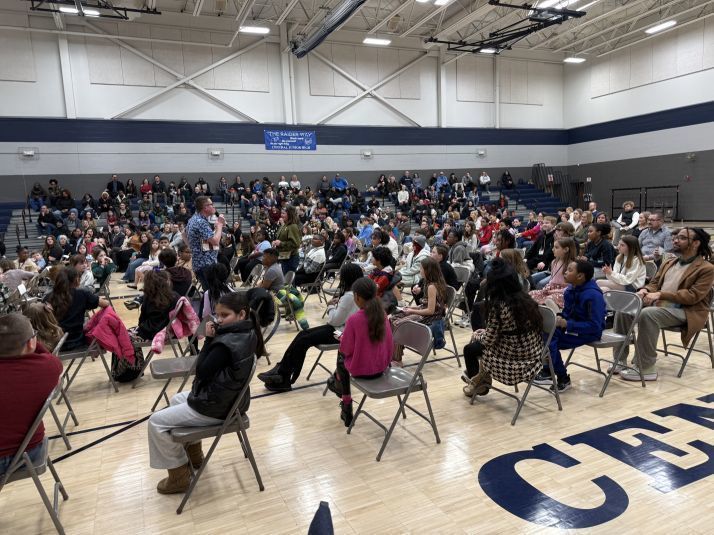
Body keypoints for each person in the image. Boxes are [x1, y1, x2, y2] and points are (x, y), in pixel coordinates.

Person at [147, 292, 265, 494]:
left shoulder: (225, 343)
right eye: (217, 315)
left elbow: (200, 370)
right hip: (231, 400)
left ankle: (179, 476)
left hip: (217, 406)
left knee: (155, 423)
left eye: (224, 315)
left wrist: (209, 341)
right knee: (176, 399)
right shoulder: (248, 332)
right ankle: (195, 455)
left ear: (241, 314)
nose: (218, 320)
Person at [613, 227, 714, 381]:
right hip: (661, 305)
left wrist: (660, 294)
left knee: (648, 314)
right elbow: (654, 283)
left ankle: (646, 368)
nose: (675, 240)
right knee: (625, 308)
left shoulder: (707, 269)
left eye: (681, 238)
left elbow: (693, 296)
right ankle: (620, 359)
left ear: (695, 243)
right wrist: (645, 290)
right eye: (675, 237)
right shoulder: (670, 261)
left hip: (688, 311)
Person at [258, 263, 363, 392]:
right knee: (303, 335)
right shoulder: (358, 294)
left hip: (341, 334)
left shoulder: (349, 296)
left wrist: (330, 306)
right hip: (342, 330)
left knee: (304, 339)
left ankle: (283, 374)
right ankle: (282, 371)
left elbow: (334, 320)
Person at [461, 259, 544, 397]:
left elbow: (488, 341)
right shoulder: (526, 298)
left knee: (470, 348)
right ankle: (479, 377)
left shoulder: (498, 306)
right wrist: (487, 332)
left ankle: (479, 384)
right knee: (477, 343)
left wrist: (480, 334)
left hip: (513, 358)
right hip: (533, 350)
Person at [0, 314, 63, 478]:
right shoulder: (47, 368)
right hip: (29, 452)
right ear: (31, 342)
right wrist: (33, 342)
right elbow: (50, 357)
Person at [326, 277, 392, 426]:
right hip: (382, 367)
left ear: (357, 297)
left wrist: (344, 338)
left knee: (341, 357)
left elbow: (346, 349)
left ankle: (347, 404)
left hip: (362, 370)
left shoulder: (354, 320)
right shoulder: (382, 314)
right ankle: (337, 380)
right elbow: (388, 343)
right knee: (347, 357)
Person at [534, 260, 606, 392]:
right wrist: (562, 316)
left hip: (589, 332)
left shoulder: (594, 295)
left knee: (549, 341)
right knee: (545, 333)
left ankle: (562, 377)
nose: (565, 272)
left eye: (570, 270)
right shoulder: (570, 290)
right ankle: (549, 370)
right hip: (572, 328)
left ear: (580, 276)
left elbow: (595, 326)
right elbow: (568, 313)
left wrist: (568, 324)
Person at [390, 257, 447, 365]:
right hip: (425, 313)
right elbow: (425, 305)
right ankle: (395, 353)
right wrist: (411, 308)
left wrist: (413, 311)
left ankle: (397, 359)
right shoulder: (428, 283)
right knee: (393, 318)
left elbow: (430, 311)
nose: (420, 271)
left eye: (421, 268)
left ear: (428, 271)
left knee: (398, 323)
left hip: (431, 318)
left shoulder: (432, 286)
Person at [47, 267, 110, 350]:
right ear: (76, 280)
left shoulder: (50, 296)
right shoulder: (82, 293)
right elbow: (106, 304)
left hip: (54, 343)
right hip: (76, 341)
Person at [186, 196, 225, 288]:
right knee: (212, 294)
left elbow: (184, 233)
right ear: (205, 207)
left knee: (209, 293)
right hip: (206, 264)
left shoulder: (193, 219)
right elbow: (215, 242)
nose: (214, 206)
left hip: (201, 262)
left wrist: (193, 247)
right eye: (211, 204)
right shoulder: (201, 222)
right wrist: (219, 225)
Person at [530, 237, 577, 310]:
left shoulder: (572, 265)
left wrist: (556, 290)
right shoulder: (554, 262)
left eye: (556, 247)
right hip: (551, 289)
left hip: (564, 292)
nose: (552, 249)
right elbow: (552, 279)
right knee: (531, 294)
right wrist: (547, 287)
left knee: (549, 300)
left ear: (566, 250)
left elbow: (573, 287)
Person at [273, 206, 301, 274]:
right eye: (281, 213)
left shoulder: (292, 226)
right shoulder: (284, 225)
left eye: (283, 213)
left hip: (291, 258)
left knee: (288, 282)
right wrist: (276, 242)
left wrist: (281, 243)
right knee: (285, 281)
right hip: (284, 257)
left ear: (290, 214)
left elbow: (296, 244)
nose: (281, 215)